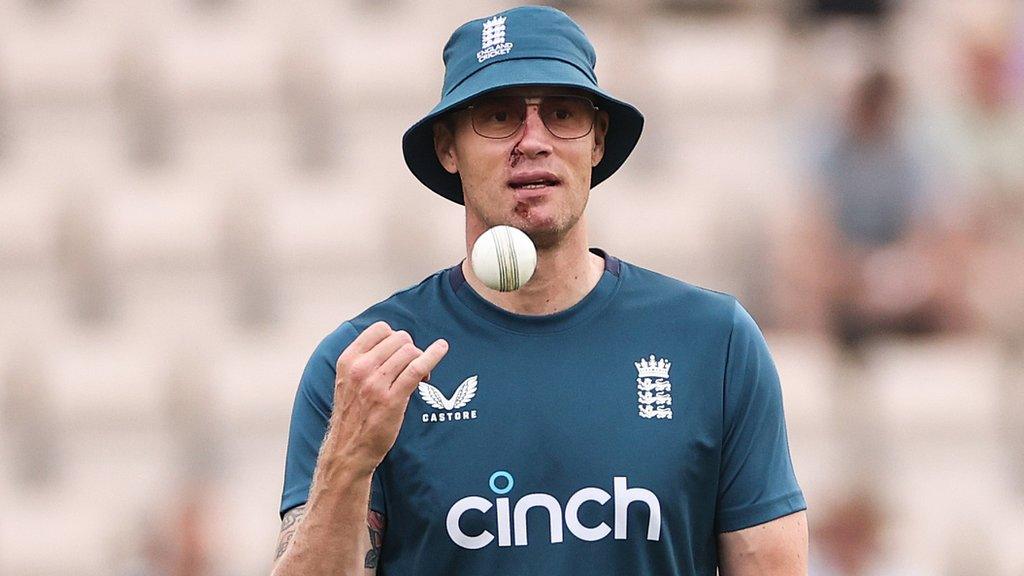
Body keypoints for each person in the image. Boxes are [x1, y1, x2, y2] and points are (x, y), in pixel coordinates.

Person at [271, 6, 807, 575]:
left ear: (597, 140)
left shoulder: (713, 343)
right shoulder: (364, 364)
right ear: (448, 148)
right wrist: (346, 461)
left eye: (562, 113)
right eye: (498, 116)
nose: (533, 141)